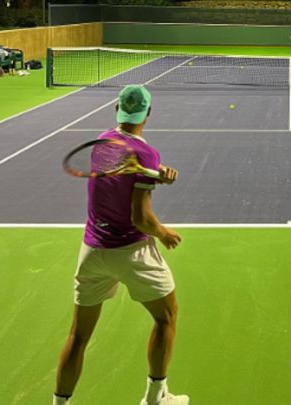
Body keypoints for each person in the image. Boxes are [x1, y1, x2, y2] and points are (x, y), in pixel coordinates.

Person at [52, 85, 189, 405]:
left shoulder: (102, 142)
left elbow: (124, 175)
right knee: (166, 317)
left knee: (78, 336)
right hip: (131, 251)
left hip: (93, 251)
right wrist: (164, 233)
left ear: (117, 108)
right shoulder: (147, 154)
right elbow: (141, 219)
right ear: (149, 113)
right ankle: (156, 397)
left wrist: (156, 176)